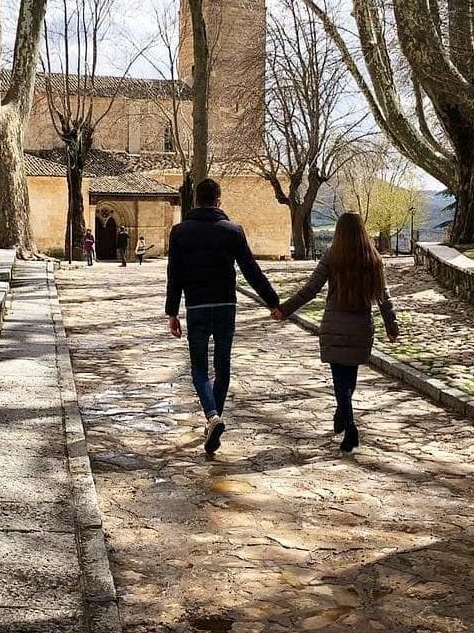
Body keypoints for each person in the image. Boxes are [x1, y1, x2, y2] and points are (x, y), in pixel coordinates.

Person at [166, 177, 280, 456]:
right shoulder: (233, 231)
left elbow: (175, 274)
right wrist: (273, 302)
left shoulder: (180, 232)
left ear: (195, 200)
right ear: (219, 200)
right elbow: (251, 270)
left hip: (196, 308)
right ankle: (214, 418)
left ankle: (212, 416)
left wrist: (172, 311)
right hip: (226, 305)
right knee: (223, 365)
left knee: (199, 368)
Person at [273, 211, 399, 454]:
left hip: (334, 326)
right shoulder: (372, 259)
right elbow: (384, 298)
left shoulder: (332, 257)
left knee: (340, 381)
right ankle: (343, 415)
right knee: (348, 380)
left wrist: (284, 310)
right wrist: (391, 327)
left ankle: (349, 425)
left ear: (339, 232)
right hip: (361, 327)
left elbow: (310, 290)